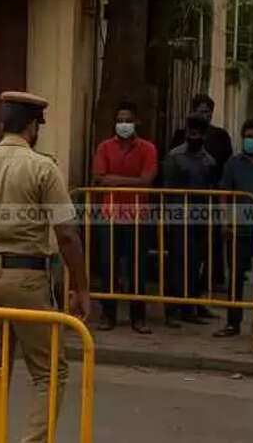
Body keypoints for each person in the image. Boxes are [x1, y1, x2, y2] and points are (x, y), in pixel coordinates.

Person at [0, 91, 90, 443]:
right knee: (49, 372)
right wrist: (81, 287)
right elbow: (67, 234)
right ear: (31, 126)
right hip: (26, 279)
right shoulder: (43, 167)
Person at [91, 102, 158, 333]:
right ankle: (107, 316)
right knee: (108, 266)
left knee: (137, 269)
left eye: (128, 120)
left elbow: (147, 180)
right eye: (120, 120)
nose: (124, 124)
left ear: (136, 122)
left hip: (138, 217)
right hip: (109, 215)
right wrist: (133, 181)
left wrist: (116, 180)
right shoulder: (104, 147)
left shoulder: (148, 148)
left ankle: (138, 318)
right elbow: (100, 177)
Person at [171, 94, 233, 292]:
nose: (204, 115)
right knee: (181, 254)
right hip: (182, 207)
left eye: (208, 112)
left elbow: (223, 167)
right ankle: (179, 299)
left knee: (206, 249)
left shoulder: (219, 137)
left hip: (209, 203)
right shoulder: (179, 142)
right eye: (200, 111)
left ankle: (204, 289)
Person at [163, 115, 216, 326]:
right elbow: (167, 190)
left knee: (196, 264)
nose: (194, 135)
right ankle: (172, 310)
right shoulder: (174, 157)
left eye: (198, 132)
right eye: (191, 131)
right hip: (179, 219)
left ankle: (190, 308)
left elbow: (210, 189)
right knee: (177, 263)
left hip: (200, 219)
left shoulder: (208, 160)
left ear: (203, 134)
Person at [214, 117, 253, 338]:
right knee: (235, 277)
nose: (249, 141)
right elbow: (224, 194)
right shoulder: (233, 164)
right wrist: (225, 221)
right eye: (247, 137)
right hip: (238, 229)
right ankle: (233, 323)